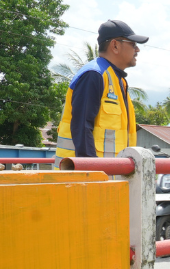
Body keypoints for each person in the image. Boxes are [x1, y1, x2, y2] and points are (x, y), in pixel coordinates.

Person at [54, 20, 148, 166]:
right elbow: (82, 127)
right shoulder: (94, 75)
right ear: (115, 45)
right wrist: (92, 173)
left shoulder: (118, 80)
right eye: (133, 44)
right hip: (86, 179)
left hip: (111, 176)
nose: (137, 50)